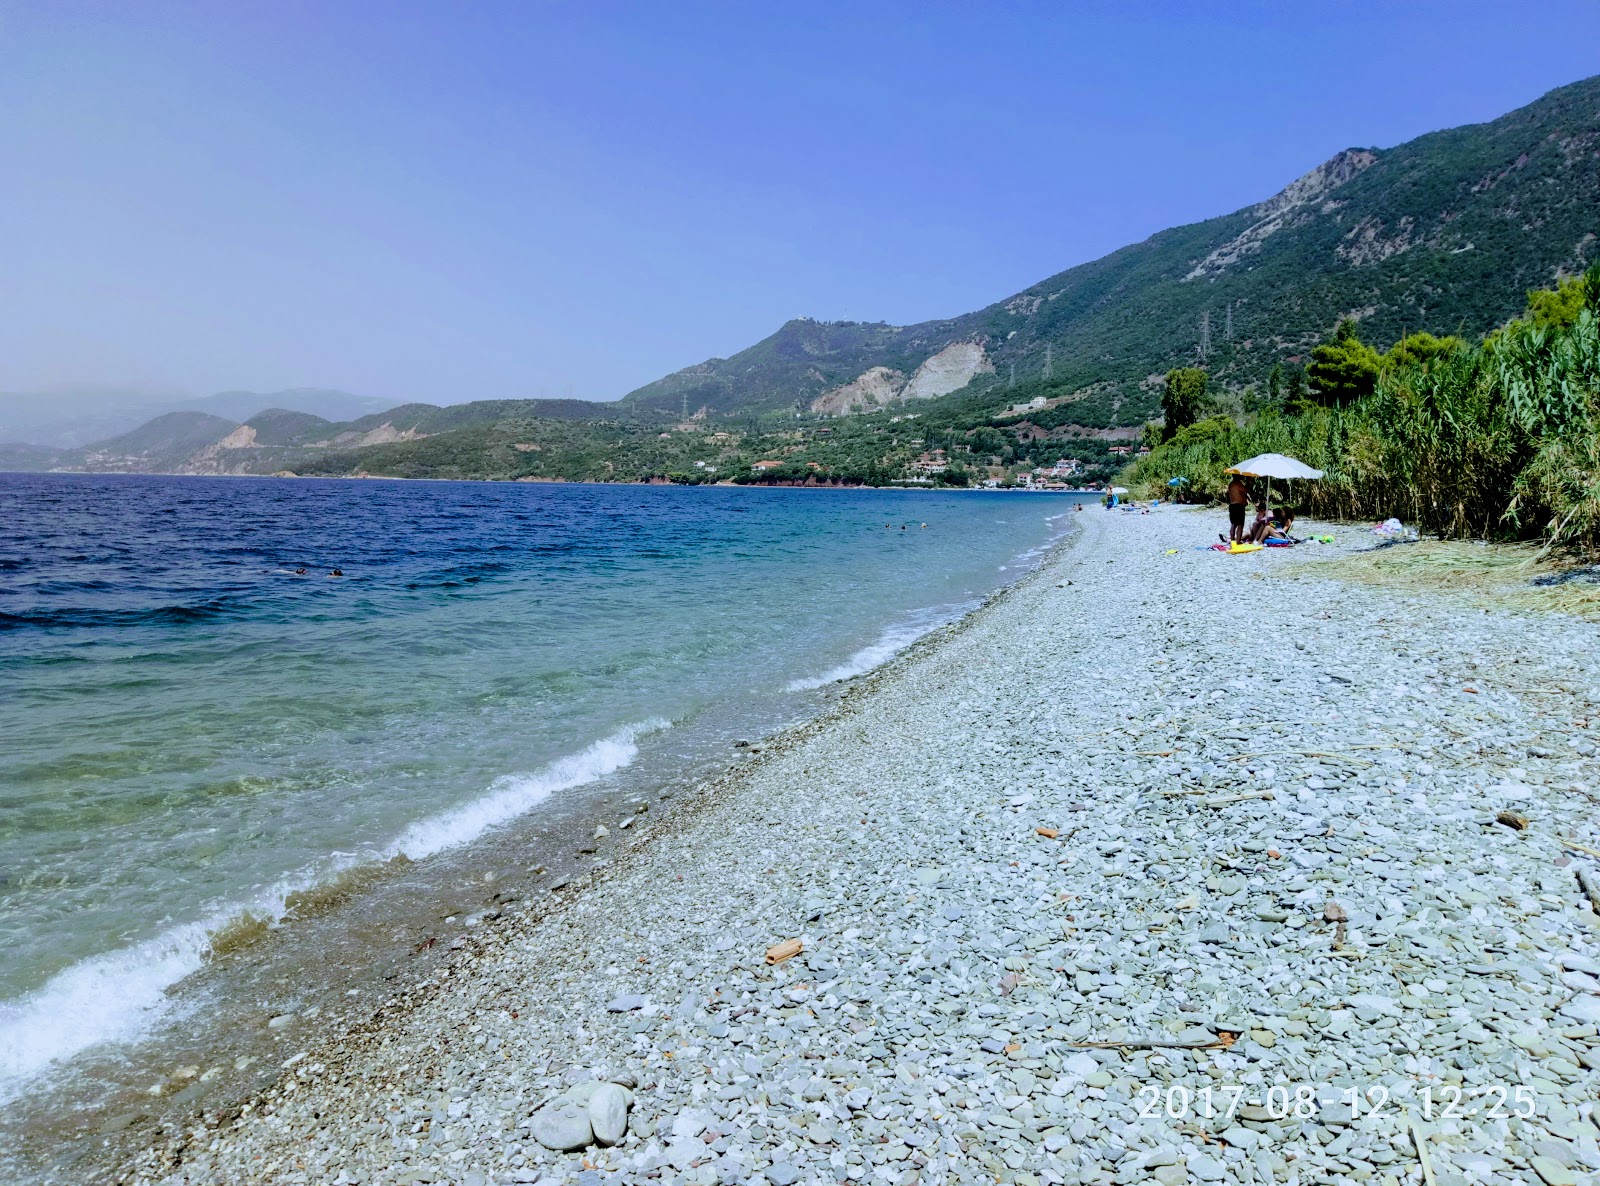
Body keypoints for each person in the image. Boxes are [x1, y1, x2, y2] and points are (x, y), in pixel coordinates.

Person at [1225, 475, 1249, 543]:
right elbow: (1246, 490)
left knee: (1233, 524)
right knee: (1240, 524)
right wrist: (1248, 481)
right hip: (1238, 506)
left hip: (1233, 505)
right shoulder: (1237, 483)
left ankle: (1232, 540)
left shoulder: (1231, 484)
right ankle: (1238, 541)